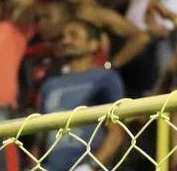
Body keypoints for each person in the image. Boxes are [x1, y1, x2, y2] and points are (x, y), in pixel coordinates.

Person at [38, 21, 125, 171]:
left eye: (74, 36)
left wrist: (91, 167)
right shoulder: (49, 85)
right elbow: (40, 137)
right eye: (63, 37)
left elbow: (116, 131)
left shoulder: (105, 78)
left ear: (93, 44)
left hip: (86, 165)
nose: (66, 41)